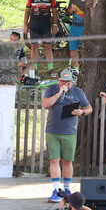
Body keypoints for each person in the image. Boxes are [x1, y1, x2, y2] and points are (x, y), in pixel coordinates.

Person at [42, 68, 92, 202]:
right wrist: (59, 93)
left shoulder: (78, 92)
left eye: (69, 81)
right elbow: (45, 104)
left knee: (68, 161)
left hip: (69, 131)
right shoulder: (52, 89)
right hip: (53, 130)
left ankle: (67, 188)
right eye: (63, 81)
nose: (66, 83)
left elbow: (89, 108)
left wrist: (81, 112)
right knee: (54, 160)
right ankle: (56, 190)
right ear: (58, 80)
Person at [23, 0, 59, 77]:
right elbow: (27, 11)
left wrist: (55, 25)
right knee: (34, 46)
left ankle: (50, 68)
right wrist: (25, 24)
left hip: (45, 24)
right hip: (34, 23)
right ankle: (35, 68)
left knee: (47, 46)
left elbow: (54, 11)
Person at [67, 0, 86, 71]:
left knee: (85, 47)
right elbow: (68, 8)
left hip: (85, 26)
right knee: (72, 46)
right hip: (74, 26)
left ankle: (85, 66)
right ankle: (75, 67)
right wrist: (70, 10)